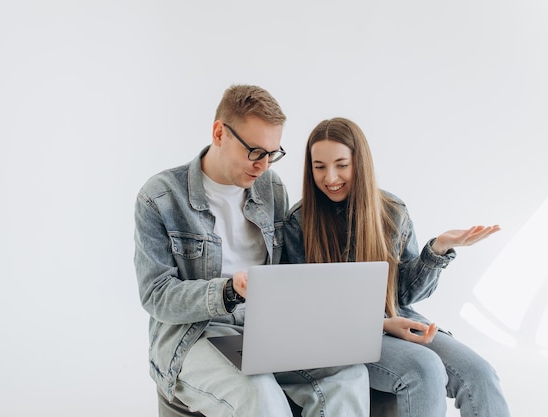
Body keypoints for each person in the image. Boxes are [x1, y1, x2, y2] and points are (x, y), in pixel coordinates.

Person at [134, 87, 370, 416]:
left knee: (348, 374)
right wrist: (229, 290)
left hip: (262, 330)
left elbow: (289, 272)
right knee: (257, 391)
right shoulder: (160, 196)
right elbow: (156, 295)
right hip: (194, 334)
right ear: (220, 133)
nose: (263, 165)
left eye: (272, 153)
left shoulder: (271, 189)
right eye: (255, 151)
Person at [284, 117, 511, 417]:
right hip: (343, 336)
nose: (330, 177)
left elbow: (404, 293)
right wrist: (378, 325)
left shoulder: (392, 211)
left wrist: (437, 249)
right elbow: (306, 309)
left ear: (359, 163)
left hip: (397, 321)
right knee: (424, 369)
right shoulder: (298, 222)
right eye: (320, 166)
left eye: (341, 164)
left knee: (480, 373)